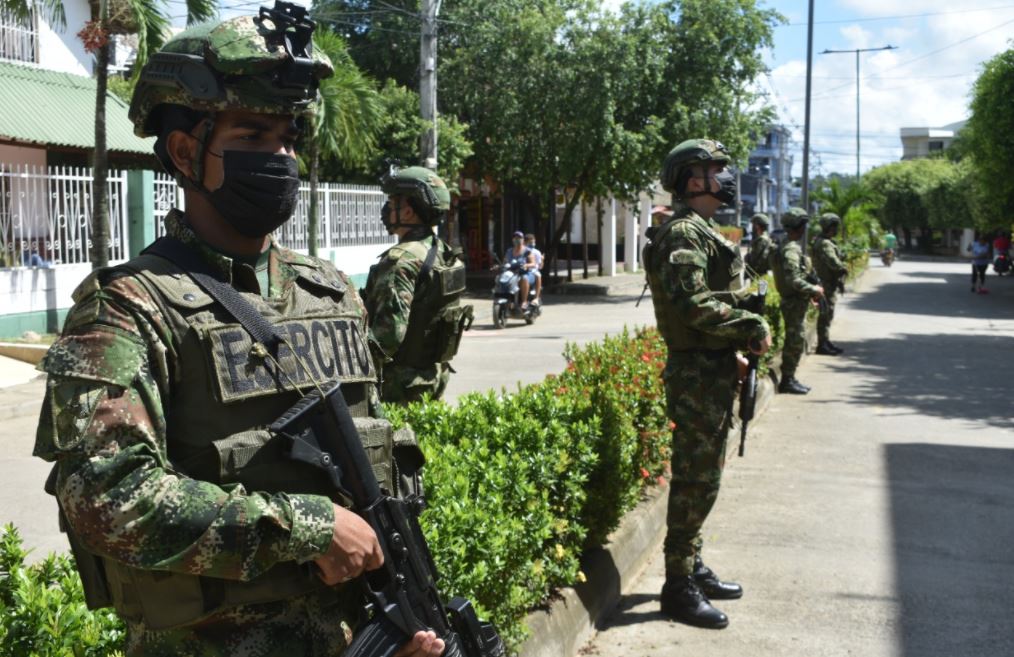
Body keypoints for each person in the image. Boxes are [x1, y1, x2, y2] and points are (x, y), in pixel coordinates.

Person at [32, 6, 443, 656]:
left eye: (287, 138)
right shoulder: (129, 309)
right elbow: (105, 497)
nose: (279, 157)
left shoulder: (332, 292)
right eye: (253, 136)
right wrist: (307, 528)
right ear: (185, 149)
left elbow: (374, 462)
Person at [643, 138, 771, 629]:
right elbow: (692, 307)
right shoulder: (683, 235)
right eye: (715, 169)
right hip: (695, 373)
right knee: (696, 480)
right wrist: (750, 326)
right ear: (691, 180)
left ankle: (691, 564)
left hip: (710, 366)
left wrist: (732, 352)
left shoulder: (700, 230)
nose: (725, 177)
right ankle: (677, 586)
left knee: (706, 480)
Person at [363, 165, 473, 404]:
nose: (386, 210)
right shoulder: (442, 251)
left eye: (393, 203)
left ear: (410, 212)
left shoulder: (401, 260)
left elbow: (387, 336)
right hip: (433, 377)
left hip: (399, 388)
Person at [771, 207, 824, 394]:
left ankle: (790, 378)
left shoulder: (787, 245)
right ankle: (787, 380)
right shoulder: (791, 250)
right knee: (794, 341)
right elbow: (793, 280)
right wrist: (814, 289)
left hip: (795, 301)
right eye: (803, 225)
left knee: (795, 340)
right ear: (799, 226)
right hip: (793, 303)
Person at [812, 213, 849, 356]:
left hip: (828, 283)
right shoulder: (825, 243)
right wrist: (842, 267)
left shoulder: (824, 241)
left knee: (827, 314)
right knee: (825, 314)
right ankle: (822, 344)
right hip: (826, 284)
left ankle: (825, 341)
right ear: (830, 227)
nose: (836, 229)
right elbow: (833, 263)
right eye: (834, 226)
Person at [504, 230, 536, 309]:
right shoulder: (509, 251)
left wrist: (526, 265)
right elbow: (505, 261)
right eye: (515, 238)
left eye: (519, 238)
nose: (517, 239)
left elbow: (533, 263)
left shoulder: (527, 251)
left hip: (526, 273)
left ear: (523, 240)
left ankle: (524, 301)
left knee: (524, 278)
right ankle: (508, 299)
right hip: (512, 273)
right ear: (512, 239)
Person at [745, 212, 773, 277]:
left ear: (757, 226)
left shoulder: (761, 240)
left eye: (753, 224)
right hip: (760, 274)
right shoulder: (765, 238)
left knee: (761, 287)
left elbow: (755, 259)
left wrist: (747, 258)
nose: (752, 227)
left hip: (759, 274)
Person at [524, 232, 544, 302]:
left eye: (533, 242)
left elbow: (540, 266)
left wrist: (542, 259)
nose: (532, 244)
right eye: (530, 242)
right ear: (525, 242)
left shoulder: (537, 252)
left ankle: (536, 297)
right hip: (522, 270)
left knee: (538, 275)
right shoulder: (522, 250)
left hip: (533, 270)